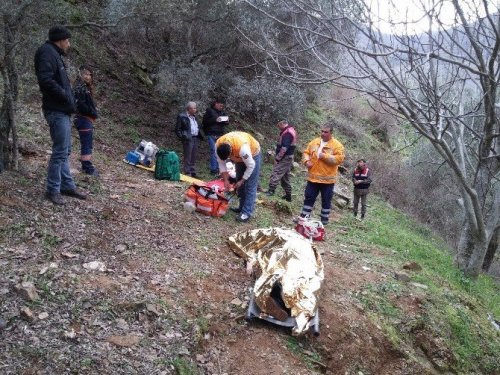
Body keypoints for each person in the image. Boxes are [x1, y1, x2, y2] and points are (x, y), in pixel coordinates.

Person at [34, 25, 87, 205]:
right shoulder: (47, 53)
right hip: (56, 110)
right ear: (61, 40)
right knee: (59, 152)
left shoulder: (54, 54)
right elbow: (45, 80)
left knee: (65, 151)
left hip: (62, 110)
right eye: (68, 40)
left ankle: (67, 186)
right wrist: (65, 95)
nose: (69, 44)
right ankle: (53, 189)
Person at [299, 123, 345, 225]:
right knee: (309, 197)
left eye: (326, 132)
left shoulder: (337, 145)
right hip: (313, 178)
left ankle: (324, 221)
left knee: (326, 200)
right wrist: (306, 162)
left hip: (327, 180)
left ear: (331, 133)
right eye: (322, 131)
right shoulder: (315, 142)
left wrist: (323, 156)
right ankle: (304, 218)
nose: (323, 133)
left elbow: (339, 159)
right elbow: (306, 152)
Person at [216, 131, 261, 223]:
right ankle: (241, 208)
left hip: (253, 154)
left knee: (249, 185)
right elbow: (221, 164)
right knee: (238, 182)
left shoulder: (242, 149)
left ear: (231, 152)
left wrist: (242, 180)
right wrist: (226, 180)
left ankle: (246, 213)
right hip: (238, 157)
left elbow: (251, 165)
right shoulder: (218, 145)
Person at [73, 65, 99, 176]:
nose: (88, 77)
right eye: (85, 74)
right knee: (86, 143)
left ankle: (87, 165)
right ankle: (87, 167)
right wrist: (93, 113)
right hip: (83, 119)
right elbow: (81, 106)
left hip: (86, 119)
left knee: (87, 143)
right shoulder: (80, 88)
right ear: (80, 75)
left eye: (90, 75)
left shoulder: (85, 87)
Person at [265, 120, 297, 202]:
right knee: (285, 177)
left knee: (276, 172)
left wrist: (278, 158)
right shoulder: (290, 130)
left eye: (279, 125)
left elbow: (284, 148)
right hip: (288, 157)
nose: (278, 127)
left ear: (283, 124)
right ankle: (288, 196)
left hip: (285, 157)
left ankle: (271, 190)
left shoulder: (287, 133)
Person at [175, 101, 202, 177]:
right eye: (194, 108)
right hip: (187, 138)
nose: (195, 110)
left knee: (194, 155)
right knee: (188, 155)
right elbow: (177, 129)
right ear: (189, 109)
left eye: (195, 108)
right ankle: (187, 171)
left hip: (195, 137)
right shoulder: (182, 116)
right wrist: (183, 137)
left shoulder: (195, 117)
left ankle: (193, 171)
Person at [202, 99, 229, 175]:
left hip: (220, 134)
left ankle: (220, 169)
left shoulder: (222, 112)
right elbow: (204, 122)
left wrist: (226, 121)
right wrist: (215, 120)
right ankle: (213, 169)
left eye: (222, 106)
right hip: (211, 134)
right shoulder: (209, 111)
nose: (221, 107)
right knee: (213, 151)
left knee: (220, 152)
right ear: (216, 104)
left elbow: (225, 122)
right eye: (220, 105)